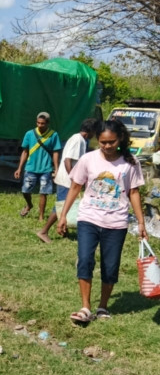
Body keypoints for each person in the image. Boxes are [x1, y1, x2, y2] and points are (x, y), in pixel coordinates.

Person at [58, 119, 146, 323]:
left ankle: (103, 307)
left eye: (112, 142)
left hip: (116, 223)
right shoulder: (88, 159)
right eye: (103, 142)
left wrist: (141, 222)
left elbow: (134, 192)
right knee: (85, 260)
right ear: (98, 140)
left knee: (110, 266)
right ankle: (85, 307)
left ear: (120, 139)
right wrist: (63, 215)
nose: (107, 146)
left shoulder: (130, 162)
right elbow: (75, 187)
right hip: (88, 218)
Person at [37, 118, 95, 243]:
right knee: (61, 206)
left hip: (68, 179)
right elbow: (67, 160)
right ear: (90, 131)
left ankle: (64, 231)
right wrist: (74, 178)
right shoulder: (78, 140)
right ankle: (43, 231)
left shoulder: (81, 140)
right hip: (67, 180)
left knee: (64, 205)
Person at [14, 112, 61, 221]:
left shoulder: (53, 135)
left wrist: (56, 169)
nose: (40, 125)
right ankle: (29, 204)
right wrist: (19, 168)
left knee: (43, 193)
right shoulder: (29, 134)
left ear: (48, 123)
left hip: (46, 169)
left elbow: (55, 152)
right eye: (38, 123)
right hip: (30, 168)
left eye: (43, 123)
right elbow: (25, 152)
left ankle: (41, 216)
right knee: (25, 190)